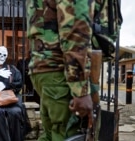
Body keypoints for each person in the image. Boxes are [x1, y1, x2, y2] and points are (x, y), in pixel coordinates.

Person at [26, 0, 100, 141]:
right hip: (60, 70)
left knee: (50, 134)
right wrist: (80, 88)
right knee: (66, 134)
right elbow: (75, 29)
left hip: (45, 69)